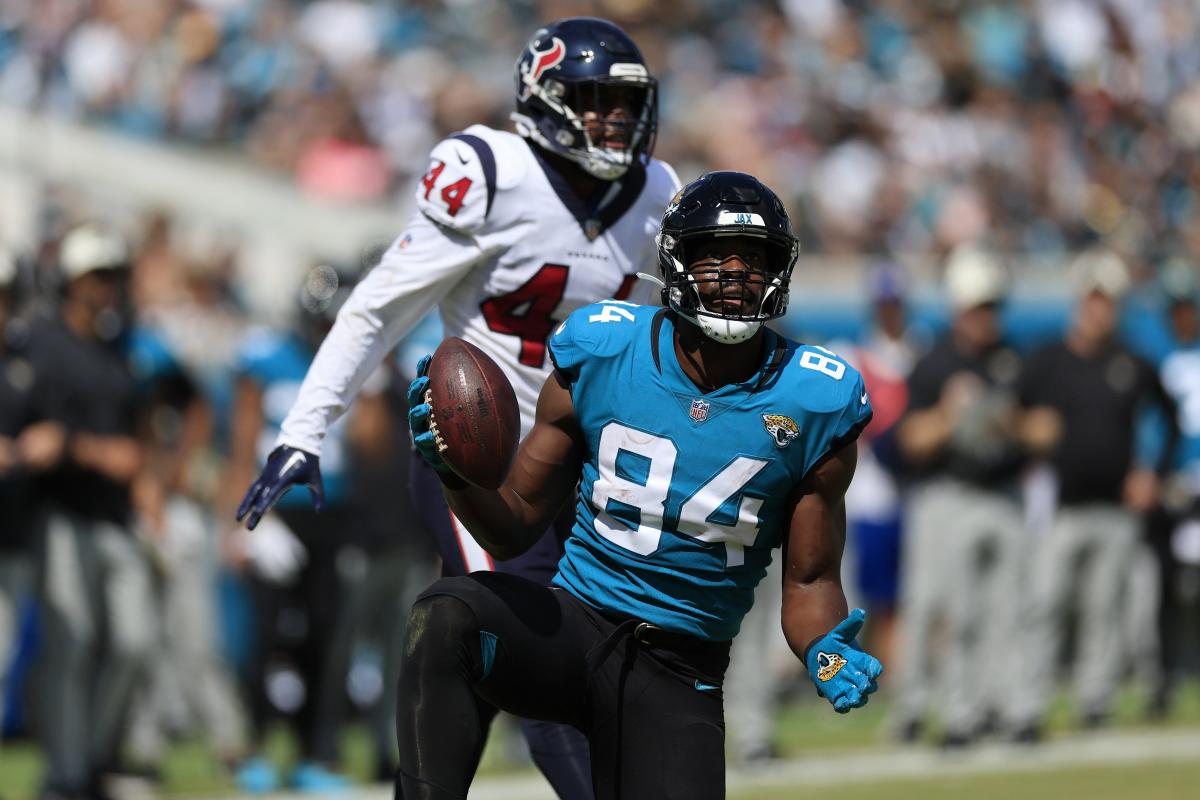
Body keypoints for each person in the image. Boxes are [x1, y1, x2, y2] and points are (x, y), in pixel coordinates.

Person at [236, 17, 679, 798]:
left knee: (497, 646)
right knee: (539, 641)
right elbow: (379, 308)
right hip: (477, 453)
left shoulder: (655, 192)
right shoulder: (490, 172)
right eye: (594, 99)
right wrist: (302, 431)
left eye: (624, 102)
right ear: (543, 101)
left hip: (581, 460)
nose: (614, 117)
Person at [397, 171, 882, 800]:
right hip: (570, 626)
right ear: (676, 263)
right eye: (714, 256)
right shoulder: (605, 346)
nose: (735, 274)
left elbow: (811, 580)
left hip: (681, 668)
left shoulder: (818, 398)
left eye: (754, 259)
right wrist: (453, 473)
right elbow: (513, 524)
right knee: (445, 616)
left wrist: (825, 650)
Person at [1011, 249, 1179, 737]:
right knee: (1045, 605)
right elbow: (1012, 415)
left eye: (1108, 301)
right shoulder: (1049, 360)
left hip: (1116, 509)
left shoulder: (1132, 362)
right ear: (1080, 301)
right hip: (1059, 507)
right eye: (1093, 299)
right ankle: (1030, 703)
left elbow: (1169, 420)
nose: (1099, 310)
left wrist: (1153, 472)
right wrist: (1027, 431)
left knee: (1106, 610)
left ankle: (1095, 701)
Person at [26, 223, 156, 800]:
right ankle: (67, 772)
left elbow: (147, 418)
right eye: (97, 275)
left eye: (114, 275)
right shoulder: (42, 342)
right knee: (71, 642)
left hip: (115, 514)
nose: (108, 287)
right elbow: (39, 435)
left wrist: (149, 478)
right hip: (62, 510)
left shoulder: (119, 343)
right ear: (71, 280)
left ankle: (95, 755)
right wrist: (97, 452)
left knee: (135, 641)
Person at [891, 245, 1027, 747]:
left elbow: (1042, 430)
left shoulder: (1012, 359)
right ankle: (927, 707)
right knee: (942, 608)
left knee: (1007, 608)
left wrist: (1011, 422)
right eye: (979, 307)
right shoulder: (935, 362)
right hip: (948, 493)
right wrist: (950, 415)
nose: (987, 317)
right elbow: (907, 439)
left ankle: (1003, 705)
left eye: (992, 306)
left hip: (1004, 491)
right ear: (959, 309)